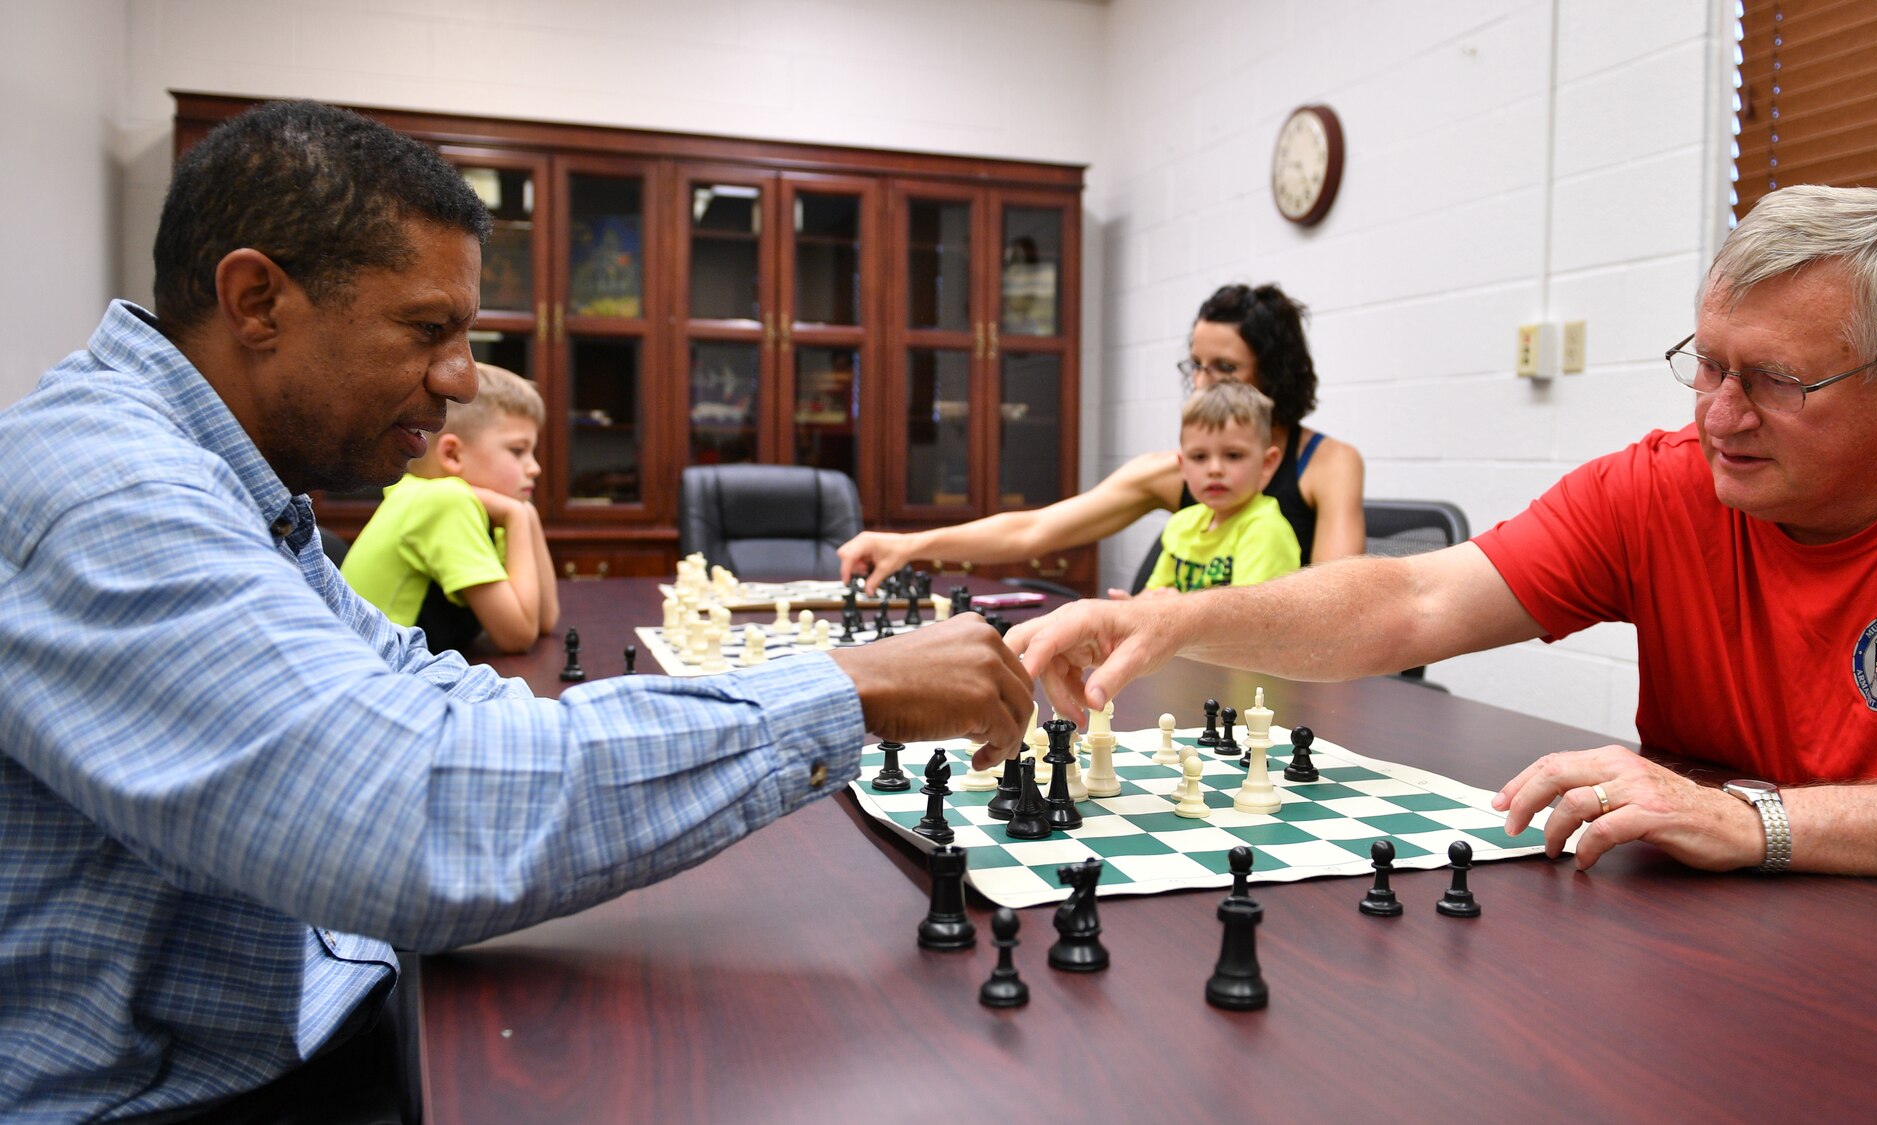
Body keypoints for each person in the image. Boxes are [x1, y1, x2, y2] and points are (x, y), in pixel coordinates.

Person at [0, 99, 1030, 1122]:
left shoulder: (221, 479)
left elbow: (428, 696)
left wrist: (814, 690)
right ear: (258, 300)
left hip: (290, 1020)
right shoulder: (114, 497)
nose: (458, 378)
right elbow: (415, 815)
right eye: (428, 330)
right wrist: (846, 692)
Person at [1009, 184, 1877, 879]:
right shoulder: (1660, 487)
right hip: (1704, 930)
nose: (1719, 414)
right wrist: (1178, 623)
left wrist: (1760, 820)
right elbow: (1413, 599)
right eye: (1705, 364)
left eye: (1774, 380)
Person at [837, 283, 1364, 593]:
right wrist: (910, 545)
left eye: (1224, 368)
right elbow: (1035, 530)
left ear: (1274, 373)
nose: (1201, 384)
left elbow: (1342, 600)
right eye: (1196, 366)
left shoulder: (1328, 463)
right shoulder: (1171, 470)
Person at [342, 362, 560, 654]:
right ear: (453, 454)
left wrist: (525, 514)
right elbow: (518, 636)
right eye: (517, 451)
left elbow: (545, 620)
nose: (534, 468)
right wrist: (518, 516)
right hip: (377, 675)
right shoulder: (443, 503)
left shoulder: (433, 496)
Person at [1142, 380, 1300, 594]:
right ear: (1183, 467)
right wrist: (1131, 607)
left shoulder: (1265, 531)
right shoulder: (1181, 524)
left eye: (1233, 455)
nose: (1214, 469)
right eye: (1199, 457)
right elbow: (1152, 594)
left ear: (1267, 464)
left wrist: (1172, 607)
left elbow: (1244, 619)